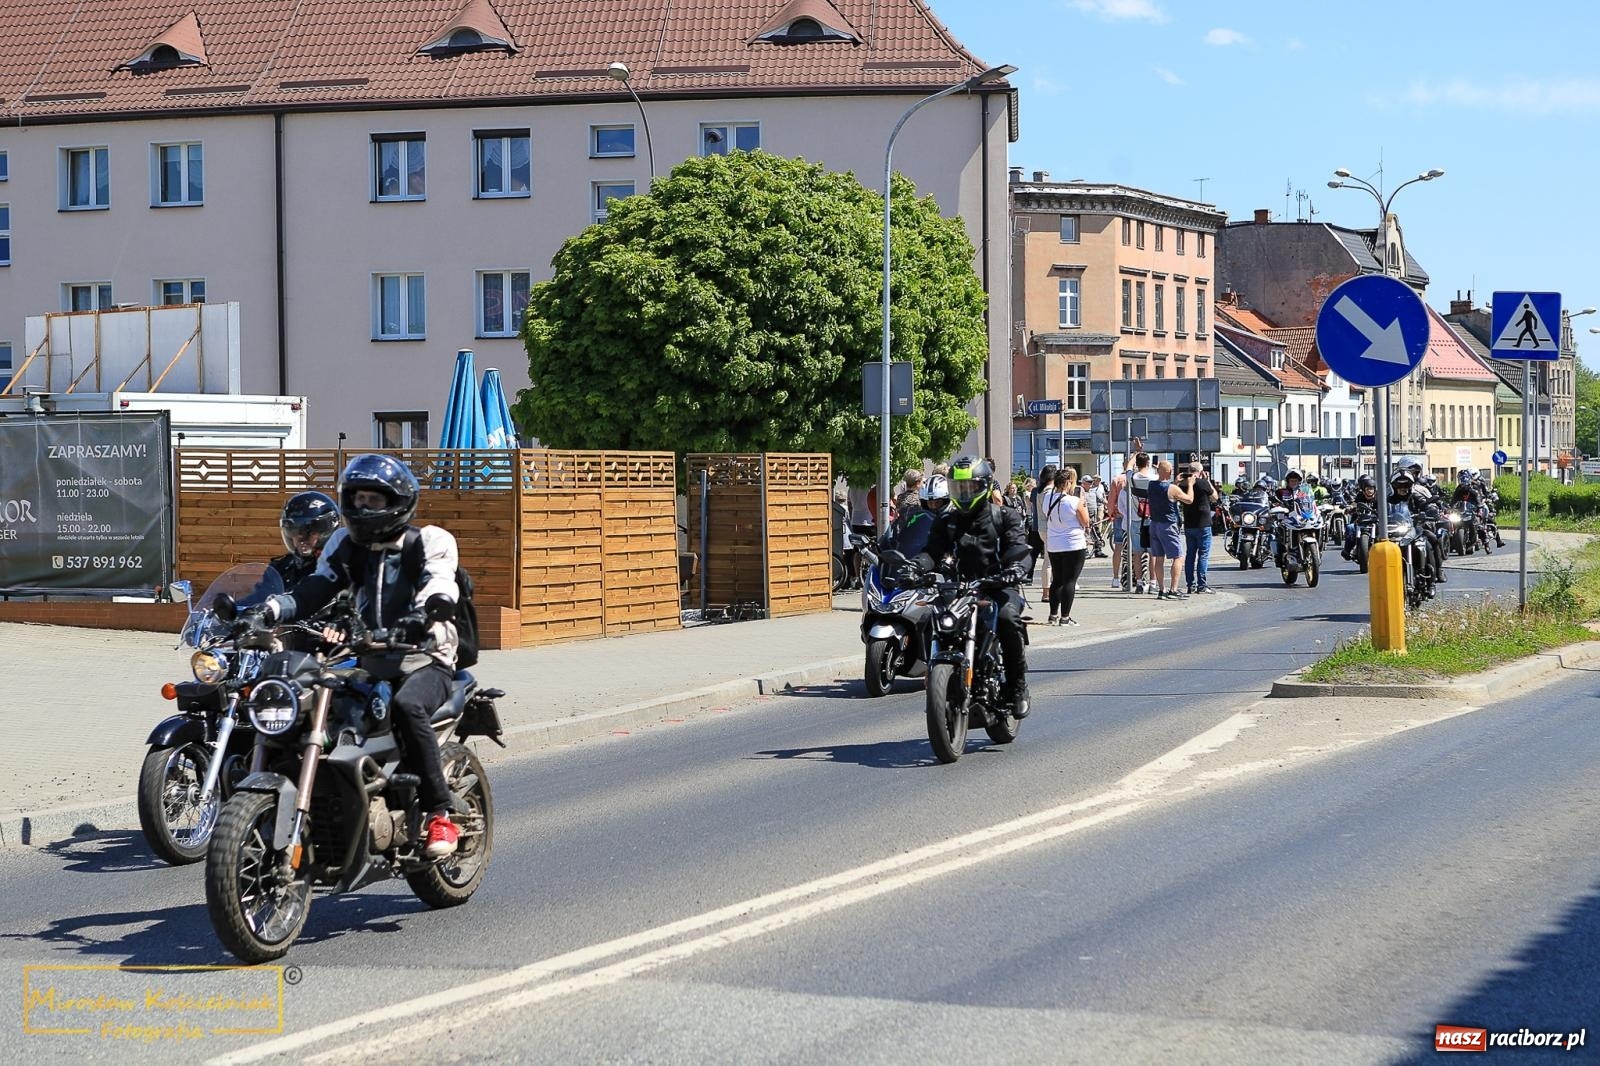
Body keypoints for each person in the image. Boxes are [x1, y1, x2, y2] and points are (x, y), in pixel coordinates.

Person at [257, 454, 464, 859]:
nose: (363, 509)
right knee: (317, 702)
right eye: (357, 500)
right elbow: (316, 588)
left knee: (407, 705)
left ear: (398, 501)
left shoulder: (430, 541)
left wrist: (422, 618)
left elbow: (440, 587)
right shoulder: (345, 545)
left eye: (373, 500)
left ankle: (440, 813)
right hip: (368, 659)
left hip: (424, 659)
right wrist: (268, 611)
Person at [911, 456, 1034, 718]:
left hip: (998, 586)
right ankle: (935, 674)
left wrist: (1016, 569)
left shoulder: (1005, 517)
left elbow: (1019, 549)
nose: (964, 494)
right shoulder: (947, 521)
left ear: (985, 487)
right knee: (926, 619)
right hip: (961, 589)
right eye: (959, 488)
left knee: (1007, 618)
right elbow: (931, 552)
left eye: (970, 488)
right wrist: (914, 567)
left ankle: (1017, 687)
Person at [1042, 468, 1091, 625]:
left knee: (1056, 580)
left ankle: (1052, 615)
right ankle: (1065, 617)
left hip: (1054, 544)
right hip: (1073, 544)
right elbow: (1085, 521)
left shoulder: (1047, 499)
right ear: (1067, 483)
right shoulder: (1073, 501)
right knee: (1070, 581)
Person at [269, 490, 339, 589]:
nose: (301, 537)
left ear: (325, 532)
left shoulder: (336, 568)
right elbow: (259, 596)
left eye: (309, 531)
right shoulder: (280, 568)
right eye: (293, 530)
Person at [1146, 459, 1193, 600]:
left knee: (1159, 558)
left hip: (1154, 524)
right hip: (1168, 524)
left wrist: (1175, 483)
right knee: (1178, 557)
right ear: (1169, 472)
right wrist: (1190, 484)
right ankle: (1173, 589)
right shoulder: (1172, 488)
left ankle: (1161, 590)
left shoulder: (1151, 485)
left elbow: (1165, 490)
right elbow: (1189, 499)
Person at [1179, 463, 1218, 594]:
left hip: (1189, 525)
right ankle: (1202, 585)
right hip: (1204, 524)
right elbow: (1215, 497)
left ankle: (1190, 584)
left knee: (1190, 555)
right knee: (1203, 555)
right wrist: (1207, 481)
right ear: (1201, 472)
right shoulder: (1203, 483)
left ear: (1189, 471)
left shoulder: (1183, 485)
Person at [1028, 464, 1057, 602]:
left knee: (1048, 560)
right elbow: (1050, 510)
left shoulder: (1039, 490)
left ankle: (1046, 592)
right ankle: (1048, 592)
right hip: (1051, 527)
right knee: (1051, 561)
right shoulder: (1049, 491)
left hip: (1041, 527)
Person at [1342, 475, 1381, 559]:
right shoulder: (1360, 496)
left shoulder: (1379, 497)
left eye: (1371, 489)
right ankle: (1347, 550)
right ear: (1363, 490)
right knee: (1350, 527)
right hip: (1362, 520)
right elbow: (1355, 503)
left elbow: (1385, 506)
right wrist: (1350, 507)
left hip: (1376, 521)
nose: (1370, 491)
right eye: (1367, 489)